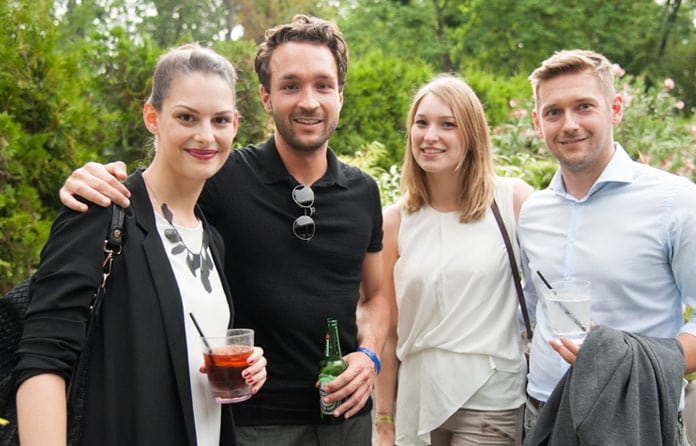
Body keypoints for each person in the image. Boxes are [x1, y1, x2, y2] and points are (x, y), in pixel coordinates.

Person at [57, 15, 388, 445]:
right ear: (266, 97)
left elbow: (376, 296)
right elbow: (156, 190)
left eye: (323, 85)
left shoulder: (364, 192)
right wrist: (91, 180)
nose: (309, 101)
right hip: (250, 424)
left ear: (340, 95)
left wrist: (369, 354)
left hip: (346, 418)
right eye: (290, 86)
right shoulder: (222, 176)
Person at [15, 44, 268, 445]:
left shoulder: (212, 239)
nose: (206, 135)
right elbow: (43, 359)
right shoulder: (102, 212)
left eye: (220, 120)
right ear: (153, 117)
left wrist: (250, 366)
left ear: (235, 125)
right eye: (186, 117)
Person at [517, 49, 696, 441]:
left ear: (615, 109)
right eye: (554, 112)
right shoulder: (534, 212)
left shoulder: (677, 203)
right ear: (539, 123)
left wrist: (622, 362)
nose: (569, 124)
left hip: (633, 417)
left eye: (584, 106)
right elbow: (533, 304)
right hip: (542, 412)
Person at [373, 74, 533, 446]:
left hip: (490, 399)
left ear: (472, 134)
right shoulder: (393, 222)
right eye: (422, 123)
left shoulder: (512, 202)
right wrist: (383, 419)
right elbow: (388, 332)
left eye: (448, 124)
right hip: (417, 400)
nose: (430, 136)